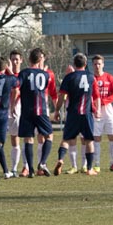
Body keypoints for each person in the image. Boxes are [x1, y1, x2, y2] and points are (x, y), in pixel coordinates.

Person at [53, 53, 99, 176]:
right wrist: (96, 109)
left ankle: (60, 159)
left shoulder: (69, 77)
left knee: (66, 139)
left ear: (74, 64)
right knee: (89, 141)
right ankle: (89, 169)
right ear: (85, 64)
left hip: (73, 113)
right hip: (86, 113)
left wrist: (57, 110)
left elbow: (62, 96)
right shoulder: (91, 77)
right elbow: (95, 95)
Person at [17, 47, 56, 177]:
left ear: (29, 59)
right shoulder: (45, 74)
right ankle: (43, 162)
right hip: (41, 110)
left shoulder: (23, 73)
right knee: (49, 136)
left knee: (28, 139)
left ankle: (31, 170)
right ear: (40, 60)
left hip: (27, 110)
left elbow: (17, 86)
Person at [90, 55, 113, 172]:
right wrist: (94, 107)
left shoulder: (109, 77)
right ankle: (97, 164)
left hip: (108, 111)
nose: (97, 66)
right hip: (95, 112)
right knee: (96, 138)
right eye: (95, 64)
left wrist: (103, 101)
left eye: (99, 64)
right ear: (92, 65)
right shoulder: (90, 78)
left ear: (103, 64)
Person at [6, 49, 24, 176]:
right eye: (12, 59)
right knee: (12, 138)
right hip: (6, 109)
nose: (15, 62)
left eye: (17, 59)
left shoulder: (23, 74)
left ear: (21, 60)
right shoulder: (6, 75)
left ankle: (22, 167)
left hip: (21, 109)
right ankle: (13, 168)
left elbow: (19, 87)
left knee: (24, 138)